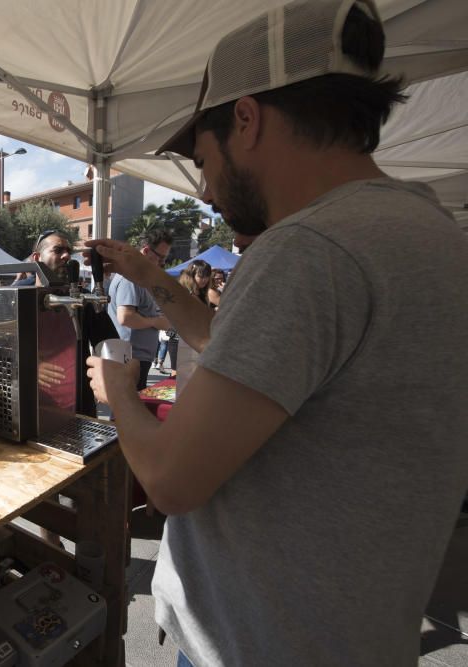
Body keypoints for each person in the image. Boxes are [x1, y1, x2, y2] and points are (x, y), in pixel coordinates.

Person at [84, 1, 468, 665]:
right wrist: (159, 280)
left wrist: (118, 391)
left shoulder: (306, 249)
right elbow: (261, 359)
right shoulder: (431, 233)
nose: (205, 189)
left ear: (247, 119)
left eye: (204, 158)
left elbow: (171, 479)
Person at [106, 229, 173, 391]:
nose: (163, 263)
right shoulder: (130, 278)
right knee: (127, 408)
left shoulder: (138, 278)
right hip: (131, 357)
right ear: (146, 251)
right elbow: (126, 317)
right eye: (161, 257)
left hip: (135, 356)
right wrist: (158, 322)